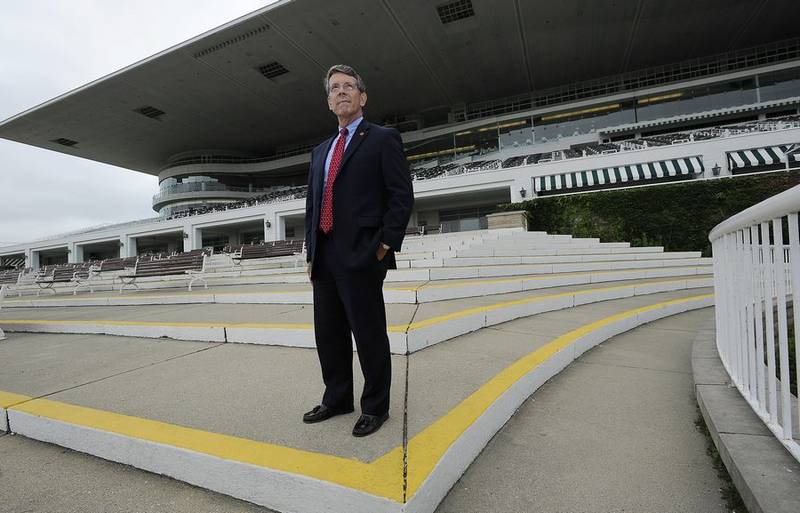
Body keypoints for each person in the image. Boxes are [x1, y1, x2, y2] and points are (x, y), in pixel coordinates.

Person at [303, 64, 414, 437]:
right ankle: (336, 399)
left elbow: (401, 195)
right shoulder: (320, 151)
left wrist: (385, 244)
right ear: (328, 101)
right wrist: (311, 253)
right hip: (325, 255)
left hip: (364, 253)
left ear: (362, 97)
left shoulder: (382, 138)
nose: (341, 91)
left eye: (348, 86)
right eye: (334, 87)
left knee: (368, 335)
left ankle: (375, 407)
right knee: (329, 334)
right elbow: (313, 205)